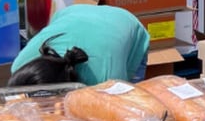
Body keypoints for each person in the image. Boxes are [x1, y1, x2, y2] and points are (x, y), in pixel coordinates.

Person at [8, 5, 150, 86]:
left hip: (127, 26)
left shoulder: (106, 80)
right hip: (73, 14)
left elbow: (123, 108)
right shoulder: (20, 66)